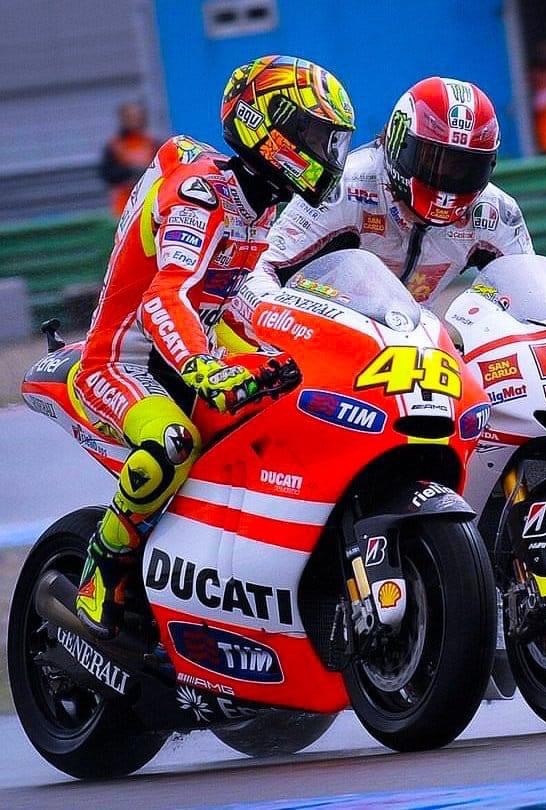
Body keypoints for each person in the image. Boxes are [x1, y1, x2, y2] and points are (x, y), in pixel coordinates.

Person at [74, 55, 355, 639]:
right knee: (172, 443)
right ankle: (101, 570)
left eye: (332, 141)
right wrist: (204, 366)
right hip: (122, 360)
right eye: (313, 135)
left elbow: (231, 306)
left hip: (188, 351)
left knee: (296, 407)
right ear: (264, 124)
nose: (326, 153)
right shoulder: (199, 194)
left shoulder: (265, 205)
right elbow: (164, 298)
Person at [219, 76, 534, 351]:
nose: (447, 179)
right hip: (327, 344)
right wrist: (285, 328)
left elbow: (530, 301)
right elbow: (258, 270)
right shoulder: (345, 188)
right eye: (433, 160)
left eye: (465, 167)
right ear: (399, 142)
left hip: (419, 352)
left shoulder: (496, 213)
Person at [100, 102, 160, 217]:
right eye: (130, 117)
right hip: (124, 205)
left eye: (137, 116)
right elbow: (107, 174)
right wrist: (130, 172)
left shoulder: (152, 143)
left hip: (150, 202)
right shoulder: (114, 145)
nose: (134, 120)